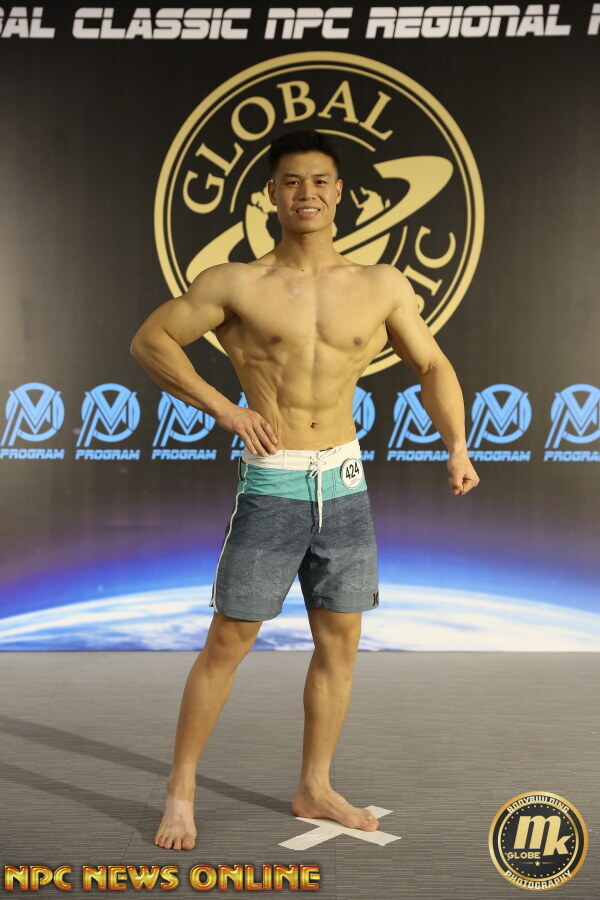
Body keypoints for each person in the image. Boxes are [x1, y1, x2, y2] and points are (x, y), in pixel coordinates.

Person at [130, 128, 480, 851]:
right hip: (275, 482)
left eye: (320, 180)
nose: (307, 193)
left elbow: (432, 364)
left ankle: (314, 785)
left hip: (344, 484)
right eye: (291, 182)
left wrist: (456, 443)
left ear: (341, 192)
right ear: (271, 194)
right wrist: (226, 410)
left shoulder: (380, 284)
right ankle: (181, 791)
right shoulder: (236, 282)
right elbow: (151, 341)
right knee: (229, 640)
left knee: (340, 643)